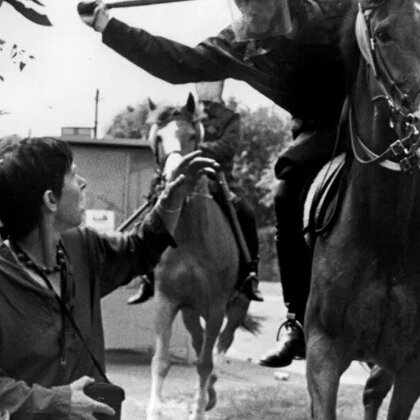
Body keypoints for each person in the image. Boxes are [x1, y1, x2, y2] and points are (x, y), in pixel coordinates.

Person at [80, 0, 352, 368]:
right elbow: (177, 61)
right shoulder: (237, 43)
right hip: (318, 133)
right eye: (241, 2)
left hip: (376, 113)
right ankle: (297, 322)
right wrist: (108, 26)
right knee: (286, 196)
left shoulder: (335, 8)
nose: (248, 9)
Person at [0, 137, 218, 420]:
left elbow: (141, 248)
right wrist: (58, 402)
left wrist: (172, 195)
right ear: (50, 200)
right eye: (72, 175)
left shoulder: (83, 247)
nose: (83, 183)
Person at [128, 80, 263, 305]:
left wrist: (196, 149)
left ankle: (249, 274)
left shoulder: (230, 118)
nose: (206, 87)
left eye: (211, 82)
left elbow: (228, 148)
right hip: (178, 175)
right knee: (151, 206)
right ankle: (147, 277)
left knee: (245, 213)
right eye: (201, 82)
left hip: (218, 177)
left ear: (220, 86)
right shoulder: (184, 113)